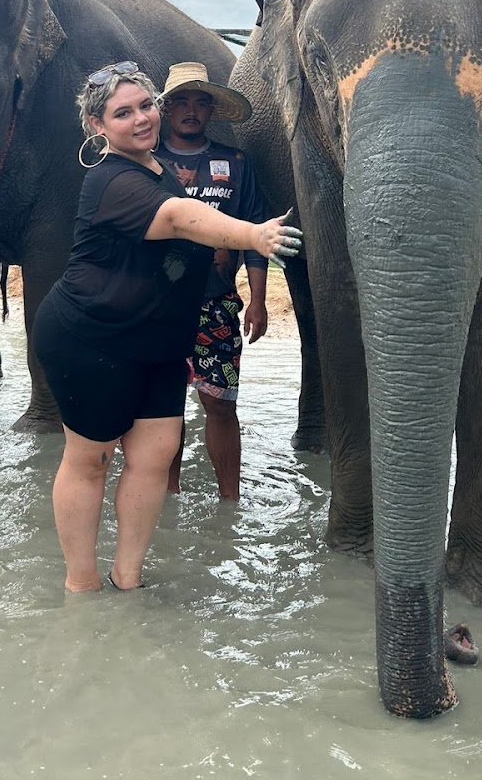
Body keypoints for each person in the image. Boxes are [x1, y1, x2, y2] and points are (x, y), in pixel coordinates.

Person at [32, 61, 302, 592]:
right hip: (92, 338)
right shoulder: (111, 180)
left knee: (155, 456)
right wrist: (253, 235)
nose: (142, 119)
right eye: (122, 112)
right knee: (92, 459)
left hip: (159, 340)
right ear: (97, 126)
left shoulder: (164, 168)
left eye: (146, 105)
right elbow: (180, 218)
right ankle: (81, 586)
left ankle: (127, 579)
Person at [154, 62, 267, 501]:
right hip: (153, 306)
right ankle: (167, 500)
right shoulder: (145, 164)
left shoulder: (235, 164)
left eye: (201, 102)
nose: (191, 110)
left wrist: (257, 300)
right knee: (163, 409)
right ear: (165, 109)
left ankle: (229, 503)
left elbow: (256, 233)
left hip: (216, 304)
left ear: (212, 111)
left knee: (220, 403)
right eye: (181, 101)